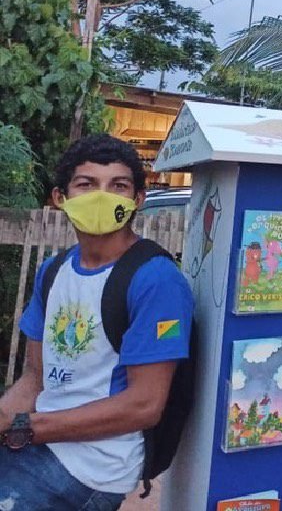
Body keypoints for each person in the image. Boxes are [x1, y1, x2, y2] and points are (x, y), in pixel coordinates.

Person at [0, 134, 194, 510]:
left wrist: (24, 427)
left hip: (96, 467)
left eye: (118, 186)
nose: (102, 197)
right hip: (42, 443)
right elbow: (35, 378)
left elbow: (144, 405)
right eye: (87, 184)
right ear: (61, 197)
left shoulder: (157, 280)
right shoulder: (53, 272)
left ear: (138, 199)